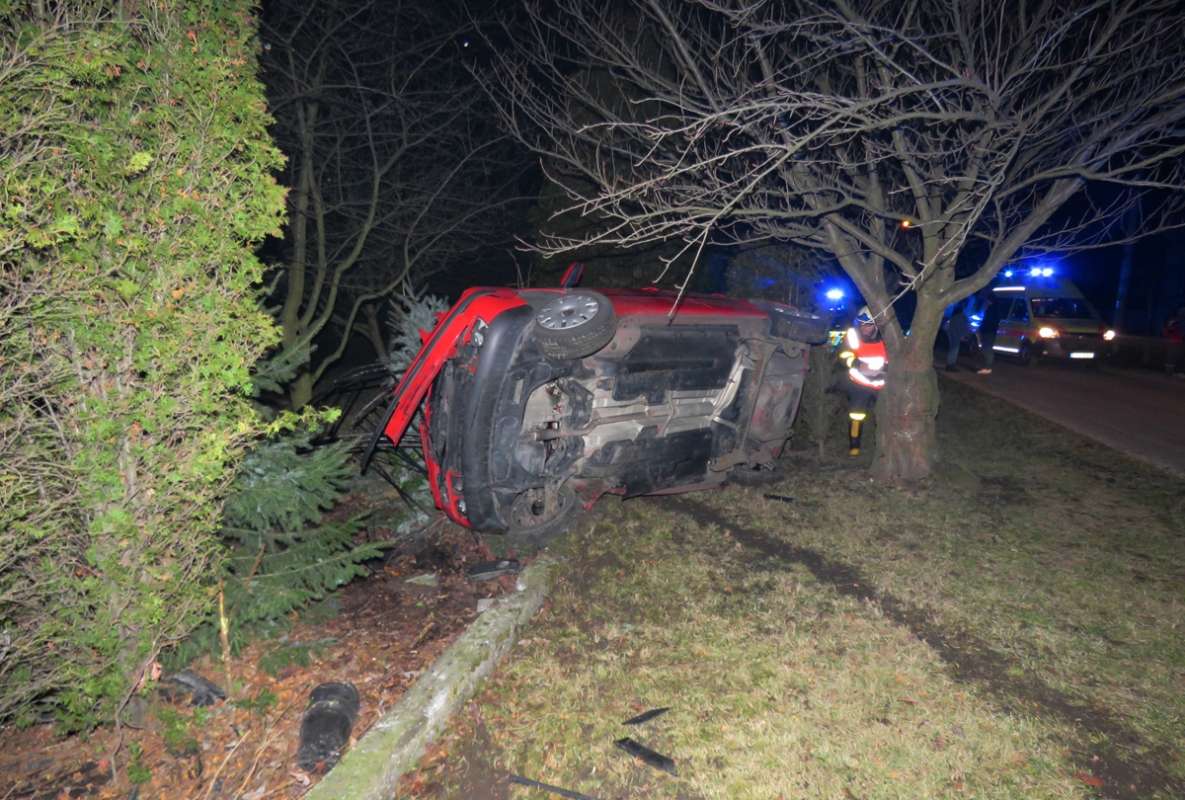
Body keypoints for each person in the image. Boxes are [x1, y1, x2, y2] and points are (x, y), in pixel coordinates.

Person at [840, 306, 886, 456]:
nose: (863, 328)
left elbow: (897, 359)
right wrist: (858, 365)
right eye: (862, 324)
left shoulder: (888, 338)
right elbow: (843, 355)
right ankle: (854, 444)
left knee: (887, 414)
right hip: (859, 383)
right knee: (856, 414)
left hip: (882, 384)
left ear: (877, 325)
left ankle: (884, 444)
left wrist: (885, 369)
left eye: (868, 325)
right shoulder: (852, 335)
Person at [977, 293, 1002, 374]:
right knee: (987, 348)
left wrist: (982, 328)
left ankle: (987, 367)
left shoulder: (991, 310)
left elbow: (987, 321)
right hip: (991, 331)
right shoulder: (995, 309)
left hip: (988, 331)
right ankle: (986, 366)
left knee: (987, 349)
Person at [945, 301, 972, 372]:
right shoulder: (959, 314)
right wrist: (962, 335)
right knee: (954, 350)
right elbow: (960, 326)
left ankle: (950, 365)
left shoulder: (956, 312)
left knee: (953, 349)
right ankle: (950, 366)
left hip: (952, 333)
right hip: (956, 334)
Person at [1164, 304, 1185, 376]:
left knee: (1177, 355)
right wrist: (1168, 337)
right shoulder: (1173, 319)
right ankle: (1169, 371)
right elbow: (1167, 329)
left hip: (1179, 340)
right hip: (1174, 340)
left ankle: (1174, 371)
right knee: (1172, 355)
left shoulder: (1179, 320)